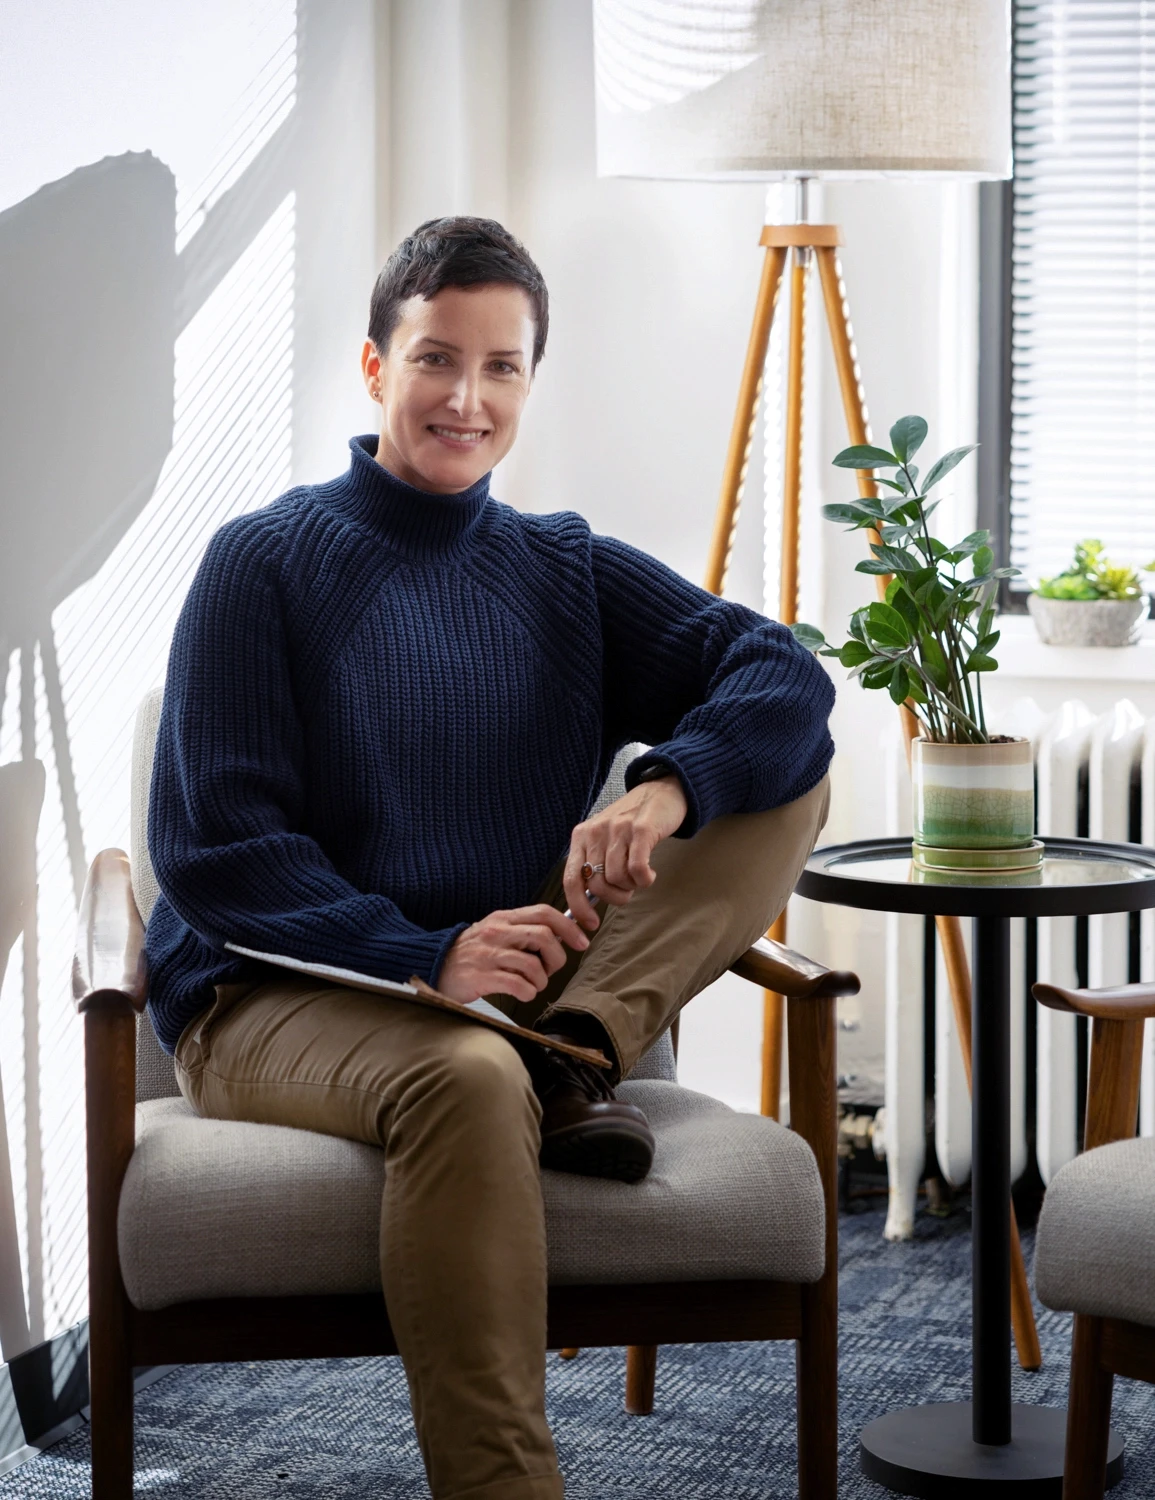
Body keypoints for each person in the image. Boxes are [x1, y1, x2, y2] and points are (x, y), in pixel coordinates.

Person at [145, 215, 835, 1500]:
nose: (467, 399)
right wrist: (427, 956)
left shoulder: (561, 568)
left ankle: (569, 1046)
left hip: (506, 987)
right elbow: (215, 852)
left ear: (529, 379)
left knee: (780, 779)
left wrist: (671, 789)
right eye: (435, 360)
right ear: (372, 367)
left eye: (501, 367)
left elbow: (784, 673)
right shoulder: (263, 562)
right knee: (465, 1078)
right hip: (270, 993)